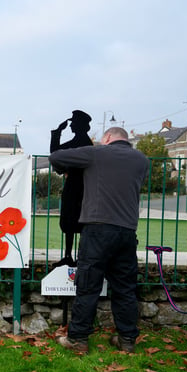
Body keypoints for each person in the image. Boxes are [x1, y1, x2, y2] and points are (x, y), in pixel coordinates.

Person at [49, 126, 149, 354]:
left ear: (107, 138)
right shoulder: (142, 160)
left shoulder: (96, 153)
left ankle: (78, 339)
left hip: (97, 229)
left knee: (87, 287)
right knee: (125, 288)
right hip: (126, 231)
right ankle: (127, 341)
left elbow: (56, 157)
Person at [49, 110, 93, 268]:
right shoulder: (78, 140)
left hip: (80, 185)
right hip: (74, 183)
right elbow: (57, 153)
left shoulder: (82, 141)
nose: (72, 125)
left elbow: (56, 153)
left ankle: (78, 256)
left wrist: (57, 133)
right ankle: (68, 255)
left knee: (78, 219)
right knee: (70, 218)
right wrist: (58, 132)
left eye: (74, 123)